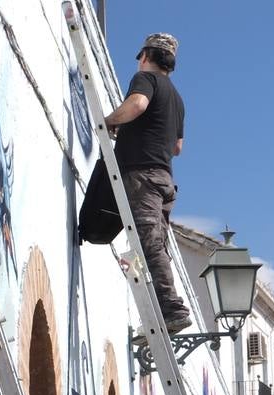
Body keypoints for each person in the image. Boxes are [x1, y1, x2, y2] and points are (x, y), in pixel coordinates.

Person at [103, 33, 192, 334]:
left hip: (142, 174)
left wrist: (110, 120)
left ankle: (171, 308)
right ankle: (164, 308)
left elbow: (138, 105)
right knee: (158, 246)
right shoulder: (177, 99)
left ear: (145, 56)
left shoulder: (146, 80)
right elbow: (177, 147)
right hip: (165, 179)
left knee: (149, 242)